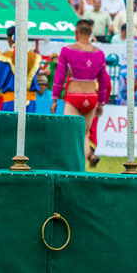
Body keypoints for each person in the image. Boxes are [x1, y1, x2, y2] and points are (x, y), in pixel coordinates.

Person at [51, 18, 111, 167]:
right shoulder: (99, 54)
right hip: (91, 97)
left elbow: (60, 76)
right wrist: (101, 102)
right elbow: (103, 81)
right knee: (84, 135)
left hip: (74, 96)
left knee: (69, 133)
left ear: (76, 32)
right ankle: (87, 160)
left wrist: (54, 99)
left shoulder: (67, 50)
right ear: (90, 33)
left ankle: (76, 165)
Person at [0, 26, 42, 112]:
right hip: (30, 104)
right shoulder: (35, 57)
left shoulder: (5, 57)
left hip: (11, 103)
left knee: (10, 125)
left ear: (8, 38)